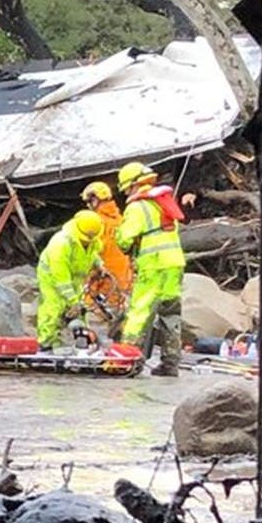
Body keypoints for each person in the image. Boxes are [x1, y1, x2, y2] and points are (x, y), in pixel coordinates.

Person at [113, 161, 187, 376]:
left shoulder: (137, 207)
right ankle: (170, 363)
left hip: (153, 265)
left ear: (133, 185)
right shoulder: (164, 201)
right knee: (170, 313)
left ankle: (127, 359)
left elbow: (125, 240)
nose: (126, 192)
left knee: (140, 311)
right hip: (174, 264)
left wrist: (122, 240)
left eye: (126, 188)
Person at [37, 211, 107, 350]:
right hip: (51, 278)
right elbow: (61, 278)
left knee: (80, 312)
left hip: (75, 279)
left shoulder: (92, 241)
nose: (88, 240)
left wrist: (99, 265)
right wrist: (73, 301)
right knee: (53, 308)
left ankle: (82, 341)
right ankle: (45, 343)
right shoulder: (61, 244)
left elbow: (92, 254)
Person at [79, 181, 132, 331]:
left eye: (89, 201)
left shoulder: (95, 224)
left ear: (96, 199)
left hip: (103, 286)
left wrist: (89, 291)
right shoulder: (121, 221)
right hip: (123, 287)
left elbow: (93, 257)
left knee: (98, 335)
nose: (88, 205)